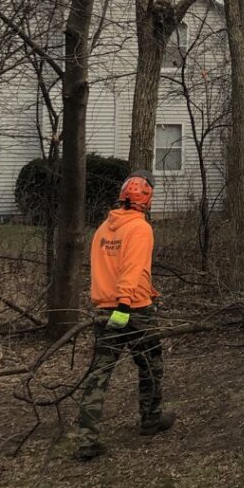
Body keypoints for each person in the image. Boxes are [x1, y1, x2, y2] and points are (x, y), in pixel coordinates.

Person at [76, 170, 175, 461]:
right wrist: (125, 303)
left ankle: (86, 439)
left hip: (105, 310)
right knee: (150, 364)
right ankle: (151, 418)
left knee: (99, 374)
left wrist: (113, 305)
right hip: (134, 309)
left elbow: (100, 271)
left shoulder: (103, 229)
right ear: (147, 200)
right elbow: (132, 269)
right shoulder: (140, 229)